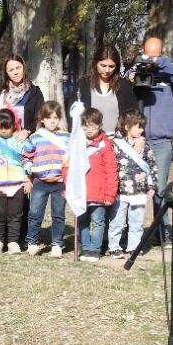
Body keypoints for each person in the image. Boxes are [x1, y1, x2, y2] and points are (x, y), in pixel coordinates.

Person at [129, 35, 173, 245]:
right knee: (132, 186)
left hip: (162, 143)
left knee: (160, 188)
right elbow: (129, 78)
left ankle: (163, 232)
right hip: (138, 140)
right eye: (148, 54)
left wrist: (159, 64)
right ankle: (131, 232)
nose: (151, 59)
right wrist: (140, 67)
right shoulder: (137, 71)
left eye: (156, 54)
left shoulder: (168, 74)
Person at [69, 106, 117, 263]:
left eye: (93, 126)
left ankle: (95, 249)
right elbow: (68, 167)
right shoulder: (76, 143)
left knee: (98, 222)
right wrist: (68, 188)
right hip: (81, 193)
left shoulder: (105, 145)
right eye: (86, 126)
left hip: (99, 193)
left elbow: (111, 170)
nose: (89, 130)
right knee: (82, 222)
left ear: (100, 126)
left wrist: (110, 194)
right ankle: (86, 247)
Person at [108, 110, 157, 259]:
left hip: (139, 190)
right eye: (138, 126)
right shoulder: (115, 144)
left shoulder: (145, 146)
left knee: (136, 222)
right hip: (120, 190)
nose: (141, 130)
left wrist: (153, 186)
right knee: (117, 220)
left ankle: (133, 247)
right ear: (127, 126)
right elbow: (110, 166)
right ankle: (114, 247)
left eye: (142, 127)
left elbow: (152, 165)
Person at [23, 101, 70, 256]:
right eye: (49, 117)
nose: (52, 121)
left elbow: (72, 157)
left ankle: (57, 244)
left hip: (59, 183)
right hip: (40, 182)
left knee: (58, 215)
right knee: (35, 214)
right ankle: (32, 242)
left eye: (56, 118)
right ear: (42, 119)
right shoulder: (35, 137)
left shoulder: (66, 137)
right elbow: (26, 156)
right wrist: (31, 170)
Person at [0, 108, 30, 254]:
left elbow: (26, 160)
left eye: (7, 127)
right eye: (0, 127)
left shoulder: (19, 142)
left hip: (17, 185)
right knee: (0, 215)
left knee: (15, 215)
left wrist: (27, 179)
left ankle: (13, 242)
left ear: (13, 126)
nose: (3, 131)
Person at [75, 44, 138, 142]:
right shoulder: (83, 85)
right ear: (96, 63)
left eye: (111, 66)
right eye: (103, 65)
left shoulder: (124, 86)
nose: (107, 70)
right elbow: (75, 119)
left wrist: (138, 138)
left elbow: (134, 115)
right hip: (89, 144)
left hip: (118, 143)